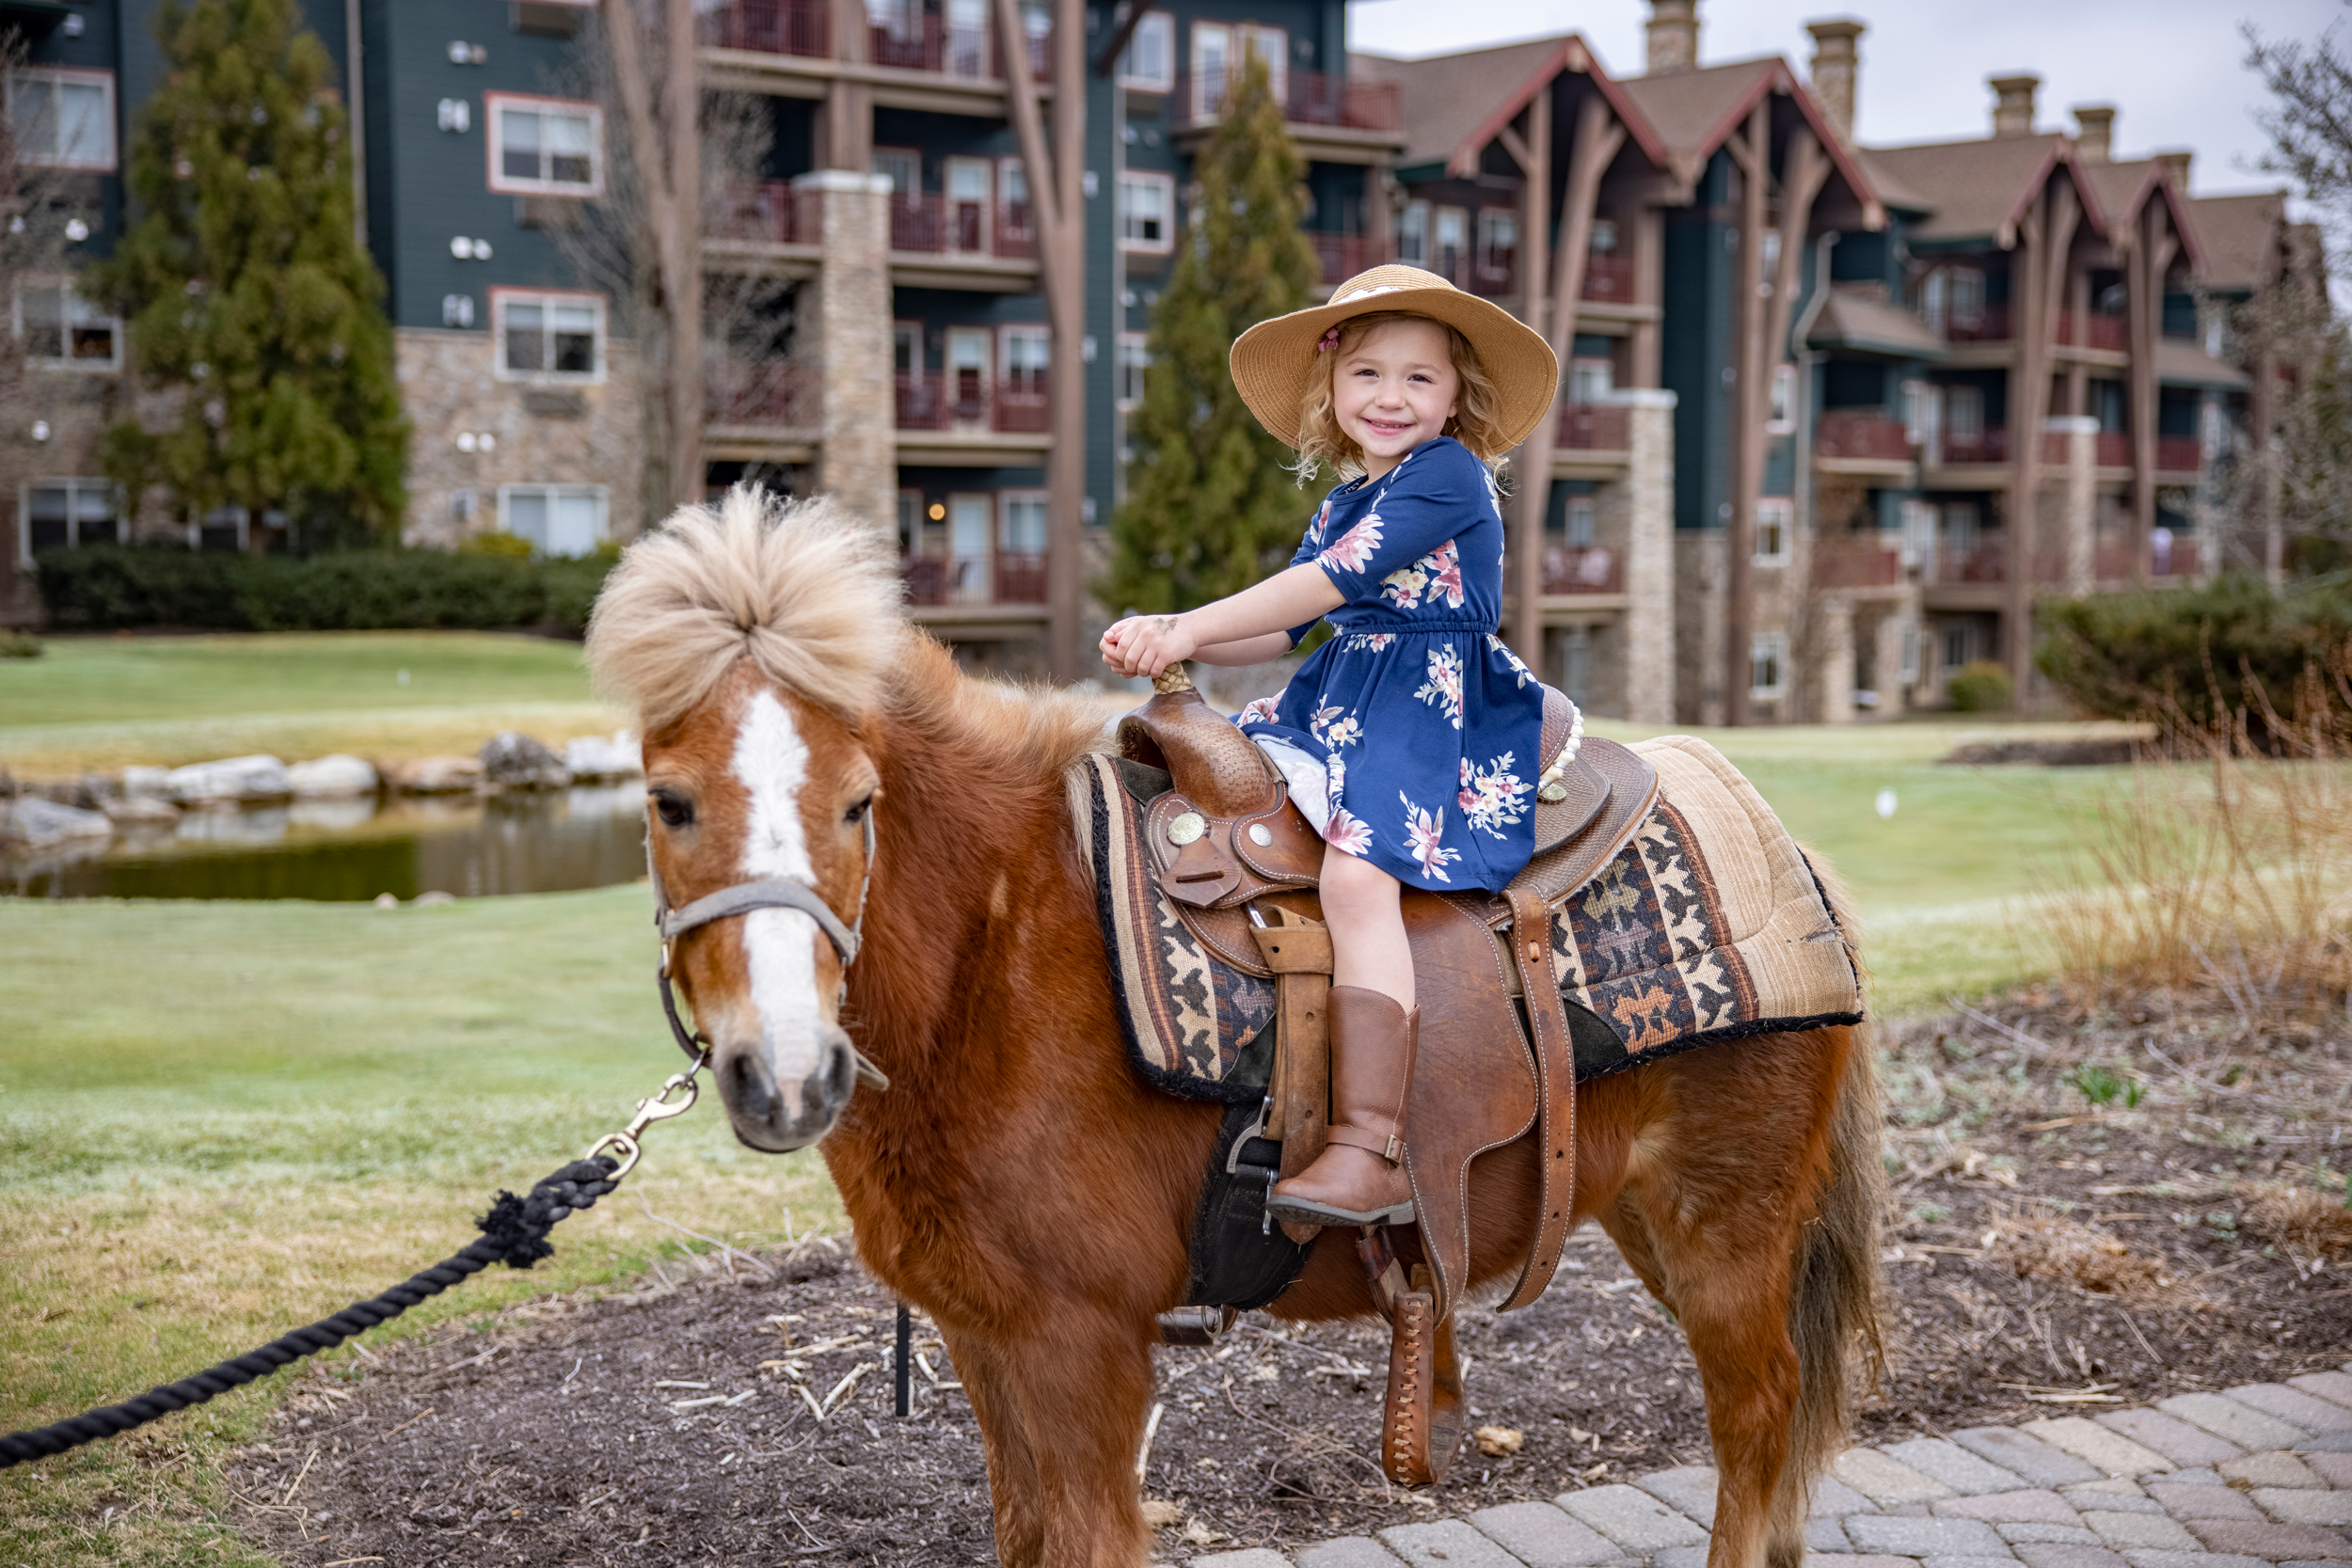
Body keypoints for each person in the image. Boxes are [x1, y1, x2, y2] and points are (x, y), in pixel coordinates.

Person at [1100, 264, 1560, 1228]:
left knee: (1357, 876)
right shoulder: (1348, 497)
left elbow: (1321, 586)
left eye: (1419, 379)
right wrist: (1166, 633)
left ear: (1456, 398)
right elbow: (1285, 632)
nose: (1391, 398)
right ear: (1332, 389)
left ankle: (1371, 1141)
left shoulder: (1446, 474)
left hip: (1432, 702)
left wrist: (1186, 622)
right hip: (1344, 692)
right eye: (1368, 376)